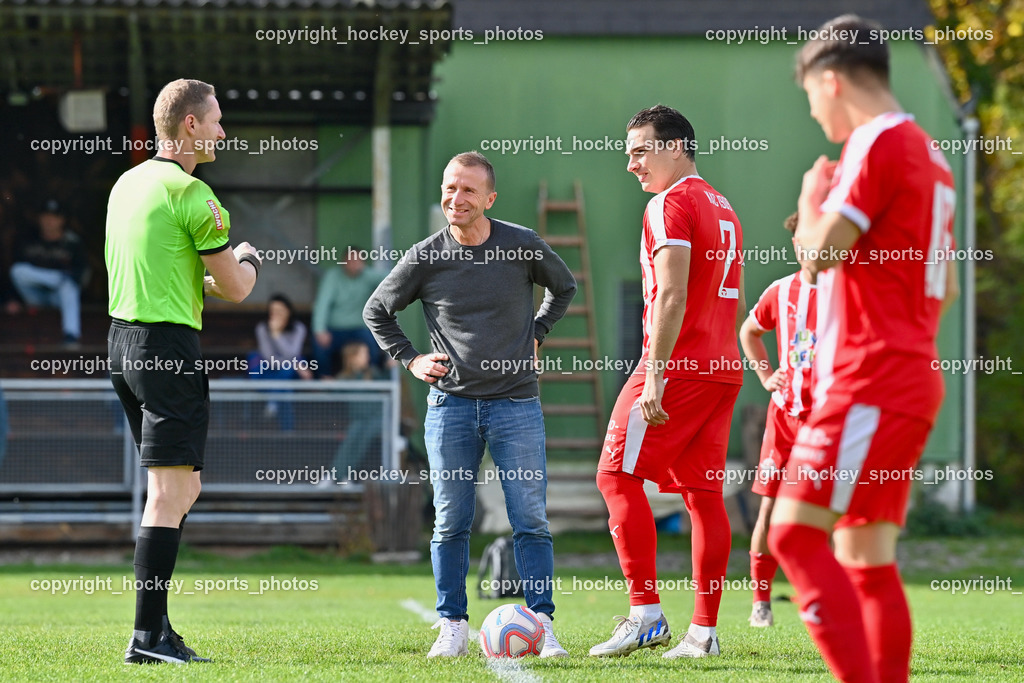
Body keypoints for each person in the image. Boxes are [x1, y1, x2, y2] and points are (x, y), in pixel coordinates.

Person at [770, 15, 959, 683]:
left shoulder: (875, 143)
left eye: (811, 96)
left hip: (871, 378)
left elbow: (819, 251)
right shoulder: (931, 154)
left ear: (832, 79)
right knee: (864, 554)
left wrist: (810, 197)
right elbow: (950, 283)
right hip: (909, 376)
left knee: (792, 534)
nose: (815, 111)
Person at [363, 151, 576, 658]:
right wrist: (410, 359)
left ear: (489, 199)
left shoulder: (521, 244)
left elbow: (564, 287)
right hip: (450, 408)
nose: (456, 199)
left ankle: (542, 624)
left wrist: (538, 332)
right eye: (450, 188)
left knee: (530, 518)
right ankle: (452, 624)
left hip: (516, 404)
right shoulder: (425, 255)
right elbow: (376, 310)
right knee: (450, 520)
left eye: (468, 191)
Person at [106, 78, 261, 665]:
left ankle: (158, 629)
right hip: (167, 349)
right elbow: (239, 288)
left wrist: (208, 280)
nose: (223, 131)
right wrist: (248, 256)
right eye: (217, 120)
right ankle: (147, 639)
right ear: (190, 126)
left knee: (179, 488)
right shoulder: (195, 195)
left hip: (123, 342)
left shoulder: (127, 183)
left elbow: (162, 270)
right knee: (171, 493)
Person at [589, 105, 746, 659]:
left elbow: (674, 294)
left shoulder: (669, 203)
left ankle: (645, 615)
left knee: (615, 476)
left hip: (679, 365)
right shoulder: (723, 206)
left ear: (675, 147)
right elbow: (730, 297)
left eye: (639, 151)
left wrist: (654, 373)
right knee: (704, 495)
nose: (631, 164)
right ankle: (703, 633)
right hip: (723, 365)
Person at [738, 211, 817, 628]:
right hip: (786, 418)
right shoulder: (782, 292)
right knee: (768, 507)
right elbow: (749, 332)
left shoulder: (851, 292)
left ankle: (826, 597)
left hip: (829, 423)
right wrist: (767, 376)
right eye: (804, 240)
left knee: (831, 511)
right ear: (795, 245)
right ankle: (760, 603)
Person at [10, 198, 86, 345]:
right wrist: (10, 299)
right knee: (18, 270)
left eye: (54, 217)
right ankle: (58, 277)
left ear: (61, 220)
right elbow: (15, 274)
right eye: (46, 216)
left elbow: (82, 274)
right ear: (39, 218)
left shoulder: (72, 242)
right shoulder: (29, 240)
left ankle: (71, 336)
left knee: (69, 286)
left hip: (61, 297)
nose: (49, 221)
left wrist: (67, 281)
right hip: (35, 296)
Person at [312, 247, 385, 376]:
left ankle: (373, 379)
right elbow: (322, 304)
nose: (354, 263)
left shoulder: (369, 275)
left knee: (373, 345)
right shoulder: (332, 276)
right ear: (344, 261)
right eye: (350, 259)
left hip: (360, 328)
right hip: (335, 328)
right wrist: (320, 330)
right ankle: (324, 381)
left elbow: (392, 278)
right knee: (319, 346)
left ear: (363, 262)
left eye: (357, 260)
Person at [248, 293, 313, 430]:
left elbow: (293, 352)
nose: (275, 315)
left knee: (286, 375)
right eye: (273, 312)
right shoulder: (262, 328)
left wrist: (277, 335)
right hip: (267, 373)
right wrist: (294, 364)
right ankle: (287, 432)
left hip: (288, 375)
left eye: (280, 311)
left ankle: (273, 405)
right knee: (285, 386)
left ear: (288, 311)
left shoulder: (298, 328)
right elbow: (269, 359)